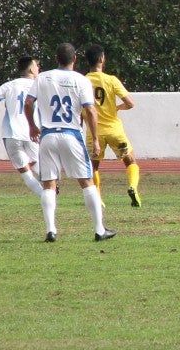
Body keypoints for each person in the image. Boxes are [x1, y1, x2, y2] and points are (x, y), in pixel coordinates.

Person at [25, 43, 117, 242]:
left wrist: (32, 126)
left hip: (48, 135)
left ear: (56, 59)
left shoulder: (43, 77)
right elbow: (90, 110)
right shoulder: (81, 80)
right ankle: (99, 230)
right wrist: (96, 139)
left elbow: (28, 102)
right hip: (71, 134)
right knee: (87, 182)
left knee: (49, 184)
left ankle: (51, 230)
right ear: (74, 59)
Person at [0, 56, 45, 197]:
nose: (38, 68)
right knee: (38, 164)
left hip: (11, 134)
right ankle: (50, 191)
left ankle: (45, 195)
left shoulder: (10, 85)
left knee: (26, 173)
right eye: (36, 66)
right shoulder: (39, 86)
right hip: (32, 132)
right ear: (31, 69)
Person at [85, 44, 141, 207]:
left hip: (94, 132)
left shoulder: (83, 81)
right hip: (114, 130)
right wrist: (117, 107)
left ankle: (98, 198)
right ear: (101, 59)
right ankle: (132, 187)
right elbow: (130, 103)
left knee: (93, 166)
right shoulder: (111, 80)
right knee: (130, 160)